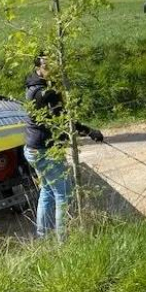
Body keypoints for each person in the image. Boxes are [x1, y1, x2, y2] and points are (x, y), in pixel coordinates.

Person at [23, 53, 104, 241]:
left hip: (33, 148)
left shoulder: (33, 86)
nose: (52, 68)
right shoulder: (46, 93)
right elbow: (65, 121)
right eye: (47, 64)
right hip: (45, 150)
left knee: (48, 191)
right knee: (63, 193)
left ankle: (43, 237)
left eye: (55, 64)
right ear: (38, 67)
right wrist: (89, 131)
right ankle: (63, 242)